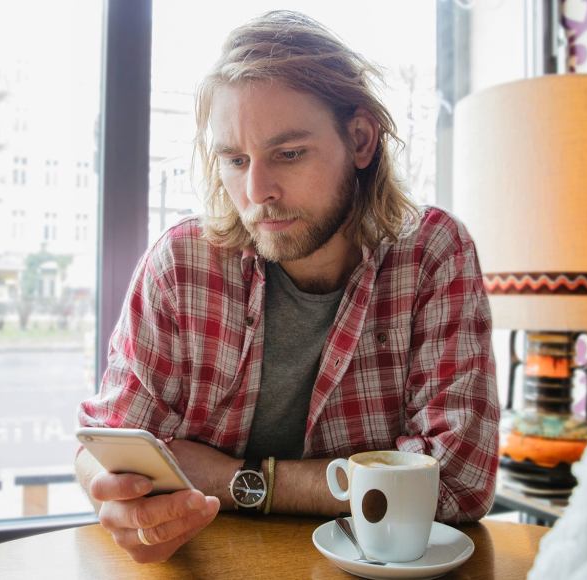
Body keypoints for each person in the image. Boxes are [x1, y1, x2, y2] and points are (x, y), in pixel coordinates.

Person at [76, 10, 499, 564]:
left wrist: (237, 479)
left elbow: (458, 481)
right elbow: (106, 445)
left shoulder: (432, 255)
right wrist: (111, 495)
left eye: (289, 154)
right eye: (234, 159)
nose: (256, 192)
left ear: (362, 139)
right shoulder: (182, 265)